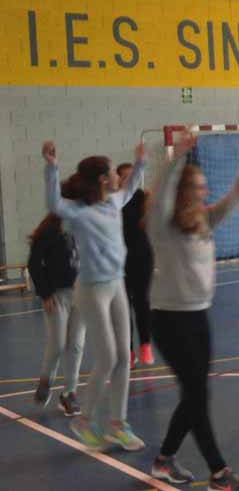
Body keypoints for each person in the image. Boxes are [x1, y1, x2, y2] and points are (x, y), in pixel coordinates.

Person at [147, 129, 239, 490]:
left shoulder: (204, 220)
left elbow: (236, 196)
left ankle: (164, 460)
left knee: (196, 394)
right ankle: (219, 474)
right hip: (169, 319)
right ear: (183, 191)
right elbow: (160, 198)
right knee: (196, 395)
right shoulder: (162, 226)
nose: (205, 191)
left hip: (199, 316)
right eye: (197, 187)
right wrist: (177, 157)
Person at [42, 141, 147, 451]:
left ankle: (118, 424)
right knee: (108, 356)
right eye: (113, 172)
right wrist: (51, 167)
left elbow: (131, 188)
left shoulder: (114, 202)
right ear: (102, 179)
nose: (118, 177)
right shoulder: (77, 212)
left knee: (123, 358)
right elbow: (53, 202)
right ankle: (84, 420)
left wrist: (140, 163)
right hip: (91, 290)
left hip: (117, 285)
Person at [29, 178, 85, 416]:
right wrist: (45, 293)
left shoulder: (85, 226)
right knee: (58, 343)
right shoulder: (50, 230)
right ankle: (46, 379)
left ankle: (69, 393)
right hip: (57, 295)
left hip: (82, 294)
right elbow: (34, 263)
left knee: (77, 345)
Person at [117, 163, 155, 366]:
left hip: (142, 256)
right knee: (123, 307)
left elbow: (150, 222)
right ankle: (128, 351)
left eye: (130, 176)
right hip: (120, 259)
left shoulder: (142, 197)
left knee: (142, 303)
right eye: (124, 176)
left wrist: (150, 203)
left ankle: (145, 346)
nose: (128, 179)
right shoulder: (113, 200)